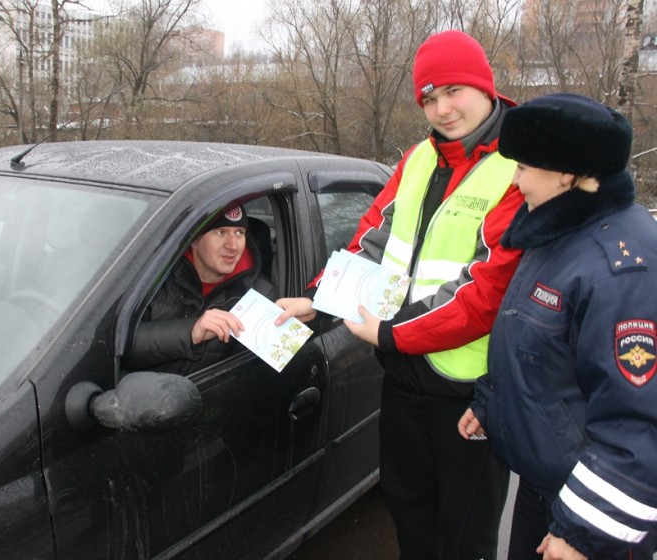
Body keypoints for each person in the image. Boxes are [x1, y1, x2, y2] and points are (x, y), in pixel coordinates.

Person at [275, 29, 524, 558]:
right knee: (410, 517)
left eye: (453, 90)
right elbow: (370, 241)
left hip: (471, 394)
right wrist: (317, 301)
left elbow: (485, 294)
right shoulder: (417, 159)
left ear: (485, 86)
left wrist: (391, 332)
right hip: (404, 382)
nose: (442, 108)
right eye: (429, 98)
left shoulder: (520, 166)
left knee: (466, 537)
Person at [458, 93, 657, 559]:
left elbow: (639, 425)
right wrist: (492, 403)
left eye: (524, 166)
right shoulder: (560, 229)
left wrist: (582, 532)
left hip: (589, 511)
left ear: (567, 173)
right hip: (548, 486)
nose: (516, 179)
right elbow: (540, 342)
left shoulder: (620, 270)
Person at [123, 202, 276, 375]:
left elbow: (254, 374)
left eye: (239, 233)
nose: (233, 246)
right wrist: (191, 332)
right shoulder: (155, 278)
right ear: (194, 240)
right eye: (221, 232)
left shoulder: (260, 294)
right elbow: (118, 346)